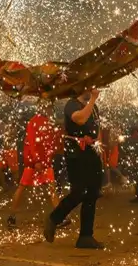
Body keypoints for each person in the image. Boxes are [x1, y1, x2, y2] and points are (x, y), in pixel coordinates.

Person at [44, 88, 104, 249]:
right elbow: (80, 119)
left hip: (92, 153)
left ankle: (86, 236)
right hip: (76, 155)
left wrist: (99, 150)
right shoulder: (71, 104)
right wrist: (93, 99)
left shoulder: (94, 108)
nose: (93, 89)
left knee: (92, 193)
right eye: (90, 87)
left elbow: (97, 130)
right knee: (79, 191)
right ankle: (54, 218)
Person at [7, 102, 68, 228]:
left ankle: (60, 218)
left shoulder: (48, 122)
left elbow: (51, 143)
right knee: (22, 187)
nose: (51, 110)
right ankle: (11, 216)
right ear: (42, 107)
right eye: (49, 107)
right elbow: (32, 142)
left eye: (51, 107)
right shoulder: (34, 122)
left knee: (52, 188)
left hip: (44, 162)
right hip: (34, 163)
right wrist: (36, 161)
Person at [0, 119, 20, 189]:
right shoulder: (2, 124)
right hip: (3, 150)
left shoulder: (13, 125)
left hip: (11, 150)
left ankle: (14, 187)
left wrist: (7, 133)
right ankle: (4, 186)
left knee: (14, 171)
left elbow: (13, 136)